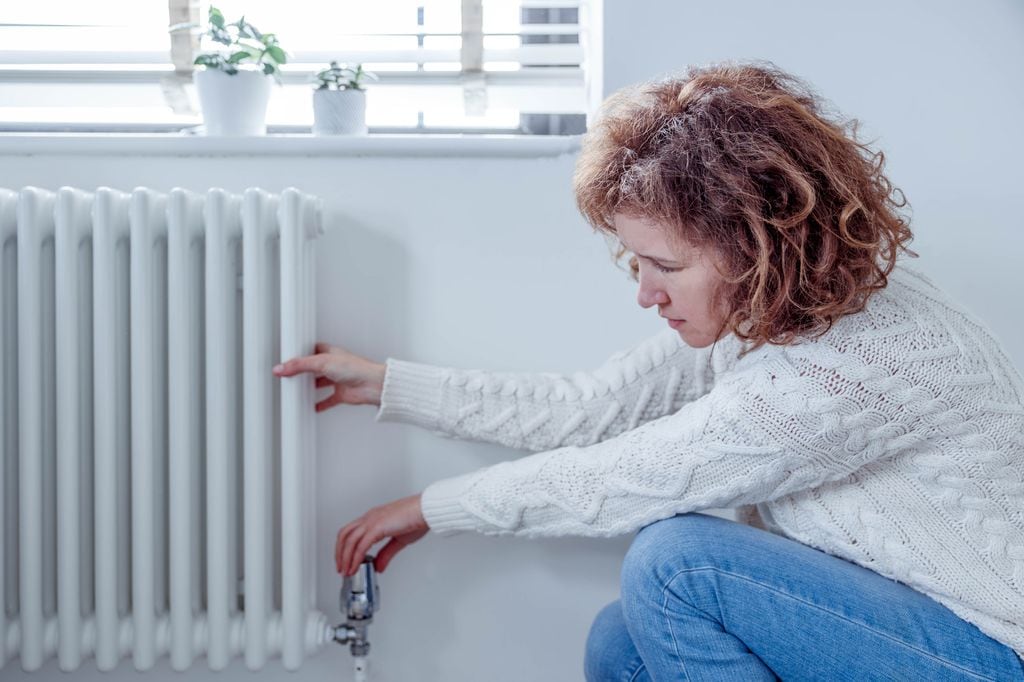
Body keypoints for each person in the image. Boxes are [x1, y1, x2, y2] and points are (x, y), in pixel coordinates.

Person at [273, 61, 1024, 680]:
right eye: (637, 261)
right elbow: (591, 410)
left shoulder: (854, 364)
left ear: (756, 244)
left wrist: (428, 508)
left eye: (665, 265)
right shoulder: (769, 311)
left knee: (678, 563)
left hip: (983, 655)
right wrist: (389, 385)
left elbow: (621, 478)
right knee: (619, 643)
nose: (644, 292)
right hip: (887, 630)